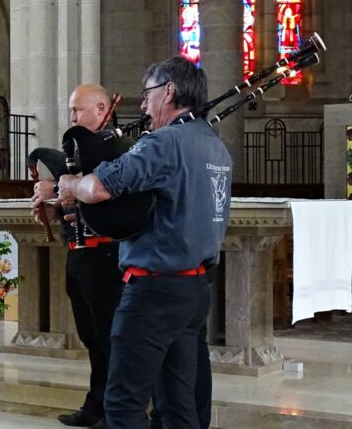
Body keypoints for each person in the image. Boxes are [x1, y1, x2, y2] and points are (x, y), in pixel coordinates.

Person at [57, 57, 232, 429]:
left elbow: (101, 187)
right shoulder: (215, 146)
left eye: (147, 93)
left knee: (122, 404)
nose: (143, 105)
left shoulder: (163, 142)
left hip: (154, 290)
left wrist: (72, 185)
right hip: (194, 290)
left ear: (168, 91)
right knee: (178, 405)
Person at [31, 84, 121, 429]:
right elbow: (73, 204)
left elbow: (105, 192)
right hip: (79, 254)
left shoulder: (115, 147)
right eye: (70, 111)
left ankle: (117, 410)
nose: (71, 117)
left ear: (101, 109)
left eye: (78, 110)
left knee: (110, 337)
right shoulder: (78, 151)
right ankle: (96, 404)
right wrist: (52, 209)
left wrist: (57, 188)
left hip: (107, 256)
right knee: (92, 337)